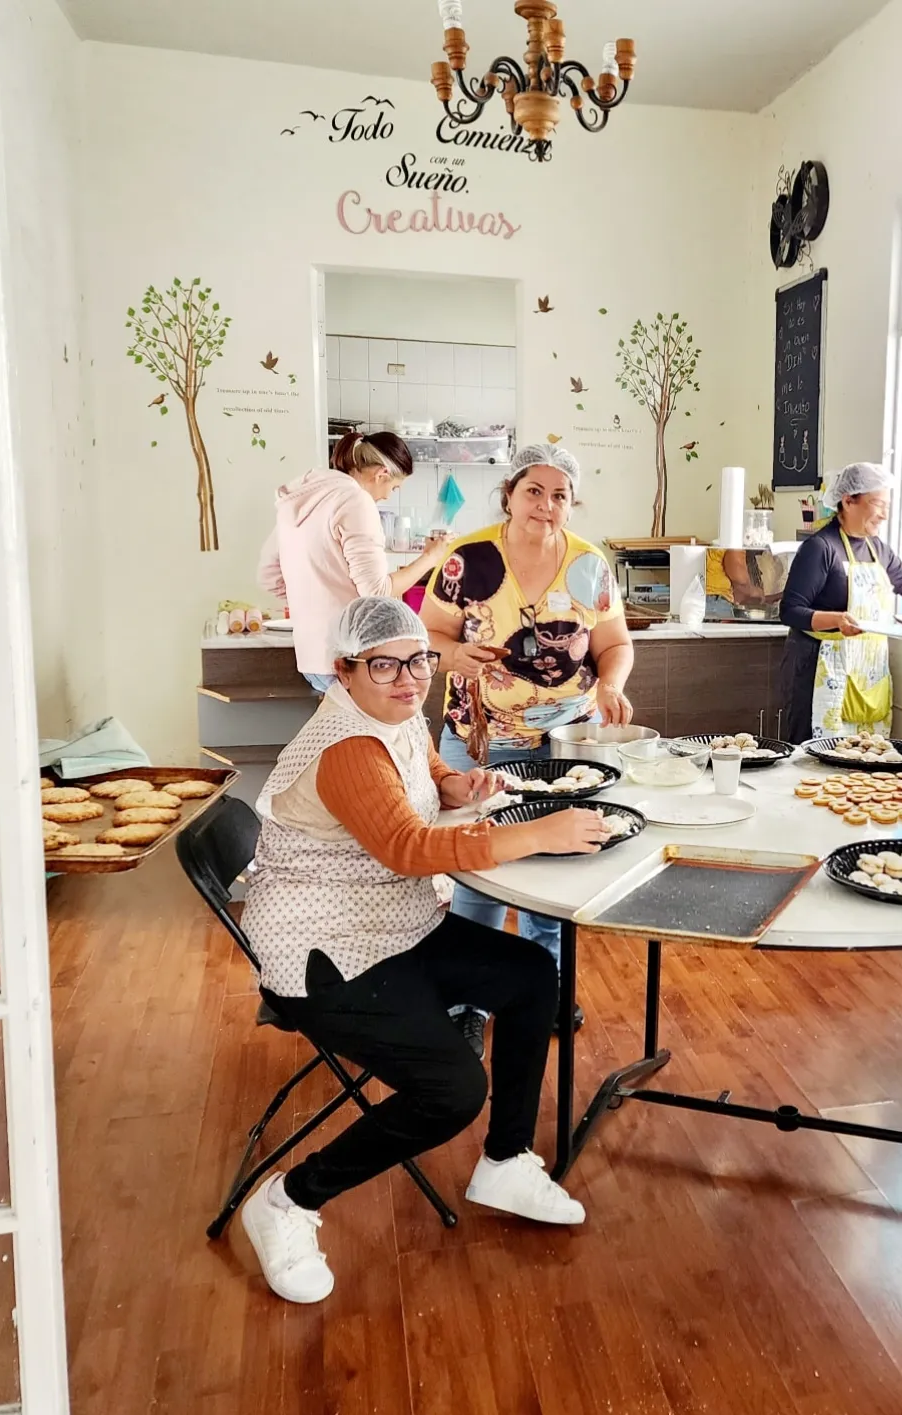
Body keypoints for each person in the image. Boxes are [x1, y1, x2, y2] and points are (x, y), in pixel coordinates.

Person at [238, 597, 611, 1305]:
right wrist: (536, 833)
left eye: (419, 660)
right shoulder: (344, 748)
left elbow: (422, 772)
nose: (410, 679)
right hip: (326, 954)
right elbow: (408, 848)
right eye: (385, 664)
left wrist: (453, 784)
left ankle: (504, 1161)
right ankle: (288, 1201)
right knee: (451, 1091)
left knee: (532, 975)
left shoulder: (395, 712)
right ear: (343, 672)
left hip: (395, 924)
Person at [420, 441, 634, 981]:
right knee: (479, 865)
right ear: (509, 494)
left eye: (560, 495)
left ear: (572, 503)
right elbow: (427, 634)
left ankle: (548, 992)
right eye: (534, 491)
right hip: (484, 737)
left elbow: (616, 644)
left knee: (557, 868)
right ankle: (470, 998)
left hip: (570, 742)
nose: (546, 504)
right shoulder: (468, 561)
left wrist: (610, 684)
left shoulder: (590, 563)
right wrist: (453, 654)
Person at [778, 463, 902, 741]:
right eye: (878, 504)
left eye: (888, 505)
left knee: (861, 760)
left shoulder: (877, 549)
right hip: (819, 672)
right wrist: (836, 621)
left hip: (866, 674)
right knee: (812, 761)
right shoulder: (821, 548)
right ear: (848, 501)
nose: (885, 515)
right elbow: (790, 610)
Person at [257, 431, 452, 692]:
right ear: (381, 473)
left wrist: (314, 605)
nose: (387, 496)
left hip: (312, 660)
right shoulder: (356, 500)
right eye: (393, 488)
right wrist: (431, 557)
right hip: (351, 656)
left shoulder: (299, 499)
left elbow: (268, 576)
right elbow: (378, 591)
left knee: (344, 732)